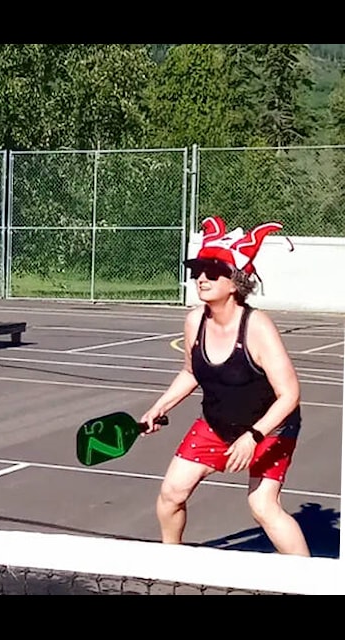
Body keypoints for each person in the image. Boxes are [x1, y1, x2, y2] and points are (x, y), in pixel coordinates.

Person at [140, 215, 309, 556]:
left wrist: (254, 436)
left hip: (271, 427)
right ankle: (169, 564)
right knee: (172, 493)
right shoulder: (194, 322)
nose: (202, 277)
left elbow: (289, 394)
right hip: (217, 424)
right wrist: (160, 407)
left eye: (213, 271)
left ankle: (309, 582)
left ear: (235, 282)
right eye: (197, 270)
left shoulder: (257, 326)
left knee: (263, 505)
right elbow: (191, 372)